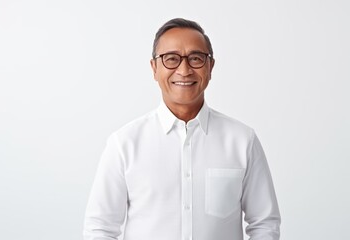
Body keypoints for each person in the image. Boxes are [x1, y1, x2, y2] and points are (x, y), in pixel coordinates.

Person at [83, 18, 281, 240]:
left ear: (210, 66)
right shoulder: (124, 144)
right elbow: (100, 228)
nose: (184, 70)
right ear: (154, 68)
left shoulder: (242, 140)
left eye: (196, 58)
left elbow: (264, 223)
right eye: (171, 59)